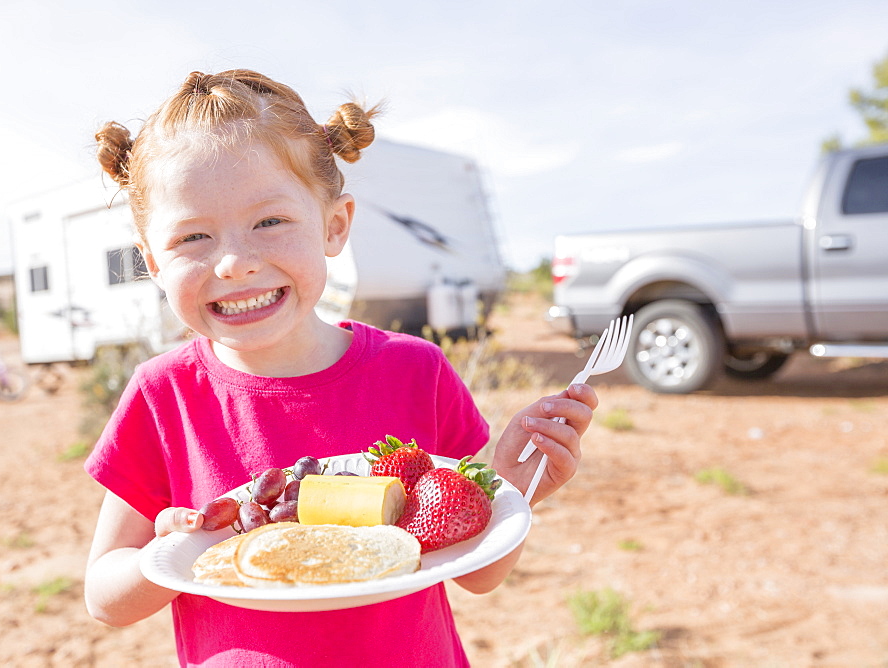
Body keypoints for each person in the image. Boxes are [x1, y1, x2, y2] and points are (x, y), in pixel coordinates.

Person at [84, 69, 598, 667]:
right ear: (151, 260)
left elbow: (474, 576)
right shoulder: (163, 394)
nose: (234, 263)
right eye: (193, 236)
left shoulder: (415, 371)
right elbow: (104, 599)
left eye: (269, 222)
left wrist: (511, 489)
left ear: (334, 225)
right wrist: (169, 553)